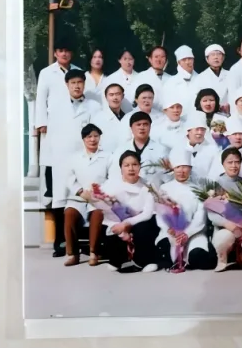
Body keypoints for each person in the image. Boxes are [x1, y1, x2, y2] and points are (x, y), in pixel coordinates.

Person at [46, 68, 101, 256]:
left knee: (86, 197)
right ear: (67, 85)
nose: (77, 86)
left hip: (85, 157)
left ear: (84, 84)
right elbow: (51, 134)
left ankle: (90, 243)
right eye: (73, 83)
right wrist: (50, 158)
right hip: (62, 158)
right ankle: (61, 243)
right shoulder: (56, 106)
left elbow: (96, 132)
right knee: (61, 199)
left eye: (80, 82)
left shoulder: (94, 106)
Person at [62, 124, 115, 266]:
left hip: (99, 198)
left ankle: (94, 253)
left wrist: (98, 193)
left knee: (97, 214)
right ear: (83, 139)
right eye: (89, 136)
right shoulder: (74, 157)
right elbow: (69, 178)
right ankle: (72, 254)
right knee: (69, 213)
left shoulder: (108, 156)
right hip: (79, 197)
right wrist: (81, 192)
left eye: (96, 136)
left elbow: (112, 178)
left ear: (100, 138)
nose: (92, 139)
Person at [154, 148, 215, 271]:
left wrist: (187, 234)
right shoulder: (164, 188)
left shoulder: (198, 189)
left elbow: (200, 218)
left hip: (194, 233)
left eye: (185, 167)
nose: (181, 171)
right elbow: (159, 214)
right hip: (171, 233)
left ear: (190, 169)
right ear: (173, 169)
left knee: (199, 258)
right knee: (166, 251)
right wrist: (169, 229)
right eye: (178, 167)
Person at [99, 151, 159, 273]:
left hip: (140, 222)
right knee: (110, 233)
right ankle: (120, 258)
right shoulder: (110, 185)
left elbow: (147, 213)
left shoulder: (148, 185)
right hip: (118, 223)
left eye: (134, 164)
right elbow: (108, 212)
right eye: (126, 165)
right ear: (121, 168)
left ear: (139, 166)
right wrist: (120, 226)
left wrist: (127, 223)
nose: (131, 168)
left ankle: (145, 261)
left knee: (145, 227)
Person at [209, 148, 242, 272]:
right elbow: (211, 214)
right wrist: (227, 224)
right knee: (223, 238)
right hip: (224, 228)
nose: (234, 165)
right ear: (223, 164)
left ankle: (240, 257)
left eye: (237, 162)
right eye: (230, 162)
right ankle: (222, 259)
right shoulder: (215, 184)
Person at [112, 111, 170, 188]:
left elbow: (169, 179)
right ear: (131, 128)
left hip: (154, 192)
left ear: (150, 127)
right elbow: (114, 174)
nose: (142, 128)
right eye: (138, 125)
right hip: (127, 191)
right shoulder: (121, 150)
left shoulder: (162, 150)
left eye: (145, 124)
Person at [172, 111, 220, 182]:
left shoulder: (213, 149)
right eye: (197, 129)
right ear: (189, 131)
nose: (200, 132)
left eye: (202, 129)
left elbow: (215, 173)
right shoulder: (178, 148)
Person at [194, 44, 233, 112]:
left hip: (229, 113)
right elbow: (197, 100)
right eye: (212, 54)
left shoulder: (231, 75)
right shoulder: (200, 78)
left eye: (219, 54)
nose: (216, 57)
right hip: (209, 114)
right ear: (207, 59)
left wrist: (230, 106)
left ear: (223, 57)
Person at [91, 82, 128, 152]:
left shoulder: (128, 117)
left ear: (123, 96)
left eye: (118, 94)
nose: (115, 98)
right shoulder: (98, 118)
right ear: (106, 97)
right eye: (111, 95)